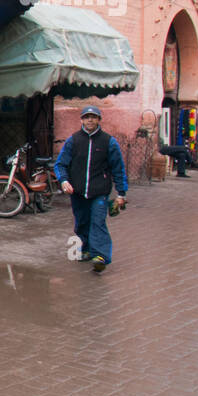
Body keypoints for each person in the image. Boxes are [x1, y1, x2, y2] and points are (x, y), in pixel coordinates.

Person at [54, 106, 128, 273]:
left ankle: (100, 256)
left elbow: (118, 168)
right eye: (87, 117)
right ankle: (86, 249)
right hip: (77, 191)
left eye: (93, 117)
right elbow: (60, 164)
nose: (90, 120)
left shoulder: (109, 142)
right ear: (81, 120)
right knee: (82, 222)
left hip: (99, 192)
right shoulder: (73, 140)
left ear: (99, 120)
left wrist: (121, 193)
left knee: (98, 222)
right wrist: (64, 180)